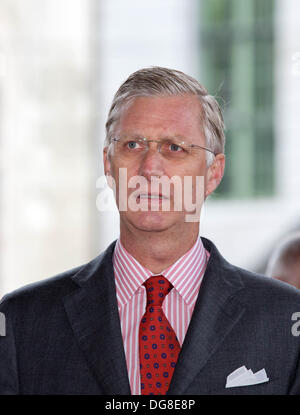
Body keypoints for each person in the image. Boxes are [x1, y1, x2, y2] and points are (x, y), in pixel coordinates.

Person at [1, 66, 300, 395]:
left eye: (175, 148)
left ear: (213, 173)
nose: (150, 168)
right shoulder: (22, 322)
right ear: (108, 165)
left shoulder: (285, 319)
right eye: (132, 145)